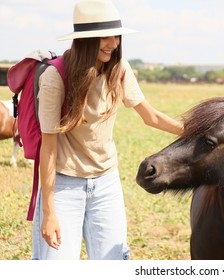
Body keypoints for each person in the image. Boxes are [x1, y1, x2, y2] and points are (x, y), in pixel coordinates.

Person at [32, 0, 183, 260]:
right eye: (105, 37)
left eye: (117, 35)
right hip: (64, 186)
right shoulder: (55, 78)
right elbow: (49, 148)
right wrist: (49, 212)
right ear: (85, 40)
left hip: (106, 184)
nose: (113, 43)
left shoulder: (119, 69)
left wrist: (199, 129)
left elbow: (151, 117)